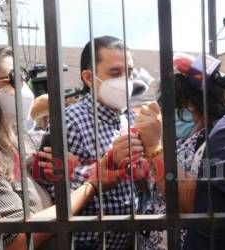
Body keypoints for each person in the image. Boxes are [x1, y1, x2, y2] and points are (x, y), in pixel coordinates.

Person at [0, 43, 127, 250]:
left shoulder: (16, 140)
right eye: (13, 79)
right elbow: (15, 244)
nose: (24, 87)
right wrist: (91, 185)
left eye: (23, 77)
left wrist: (43, 172)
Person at [40, 36, 144, 250]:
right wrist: (99, 170)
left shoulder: (131, 119)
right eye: (115, 73)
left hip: (127, 242)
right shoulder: (69, 122)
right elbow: (51, 189)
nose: (126, 80)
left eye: (130, 72)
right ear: (89, 77)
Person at [134, 53, 225, 249]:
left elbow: (193, 204)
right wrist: (143, 171)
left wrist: (155, 149)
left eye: (173, 105)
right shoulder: (184, 140)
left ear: (191, 103)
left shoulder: (216, 141)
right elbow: (156, 188)